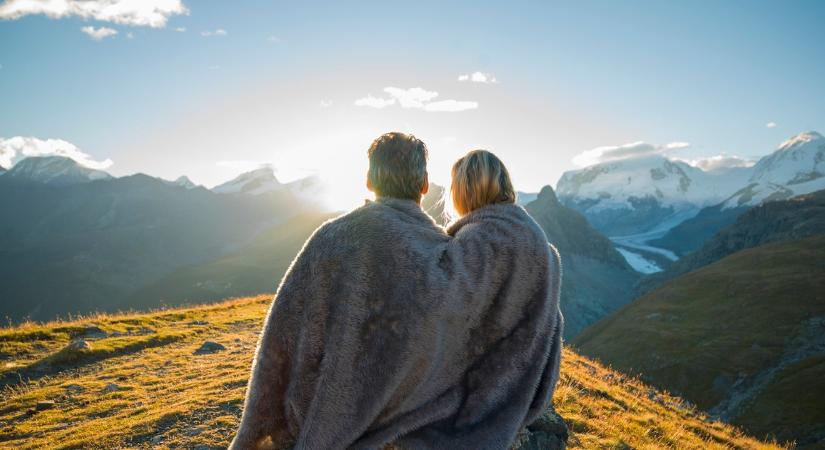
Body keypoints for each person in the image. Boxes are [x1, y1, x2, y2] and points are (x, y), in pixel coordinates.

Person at [230, 134, 563, 450]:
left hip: (332, 397)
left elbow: (284, 329)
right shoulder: (443, 250)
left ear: (368, 181)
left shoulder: (331, 237)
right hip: (448, 395)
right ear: (423, 186)